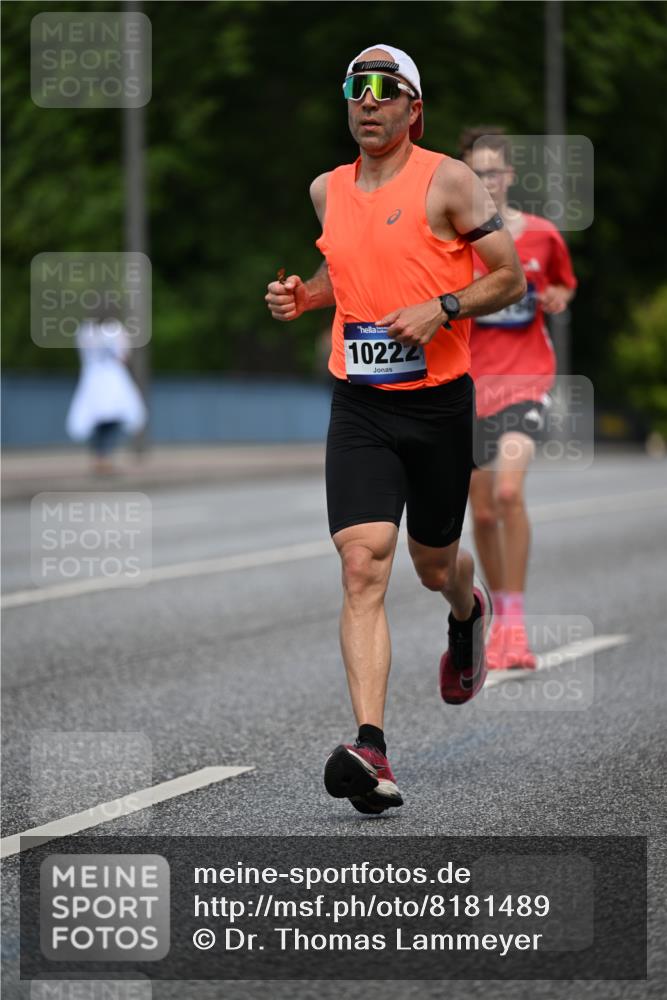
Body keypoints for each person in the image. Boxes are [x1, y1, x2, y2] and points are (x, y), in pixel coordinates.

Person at [265, 46, 525, 815]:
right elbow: (346, 277)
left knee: (431, 564)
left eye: (385, 90)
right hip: (361, 405)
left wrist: (441, 308)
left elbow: (508, 276)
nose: (367, 101)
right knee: (360, 563)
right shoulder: (327, 190)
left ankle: (465, 610)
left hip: (439, 406)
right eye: (356, 88)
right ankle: (370, 746)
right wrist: (305, 298)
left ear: (414, 107)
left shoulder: (448, 180)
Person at [460, 127, 577, 670]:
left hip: (527, 381)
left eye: (493, 171)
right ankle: (495, 611)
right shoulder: (456, 240)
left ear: (508, 176)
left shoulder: (542, 236)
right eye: (474, 171)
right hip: (469, 389)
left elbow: (562, 283)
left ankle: (512, 623)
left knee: (508, 493)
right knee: (482, 514)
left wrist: (557, 295)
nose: (485, 180)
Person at [66, 313, 146, 474]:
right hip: (112, 380)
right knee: (113, 419)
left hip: (93, 380)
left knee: (96, 420)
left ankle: (99, 457)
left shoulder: (85, 331)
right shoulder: (115, 330)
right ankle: (105, 458)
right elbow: (123, 356)